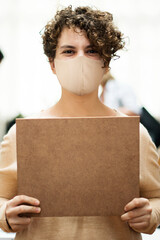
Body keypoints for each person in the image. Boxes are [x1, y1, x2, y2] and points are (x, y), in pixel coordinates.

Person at [0, 6, 160, 240]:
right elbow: (1, 197)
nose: (81, 59)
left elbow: (156, 197)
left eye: (92, 50)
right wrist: (5, 214)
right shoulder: (21, 135)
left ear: (106, 63)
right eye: (68, 51)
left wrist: (151, 215)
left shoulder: (134, 134)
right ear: (52, 64)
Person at [100, 72, 160, 148]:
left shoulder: (117, 87)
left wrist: (110, 112)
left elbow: (134, 111)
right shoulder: (102, 92)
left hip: (135, 133)